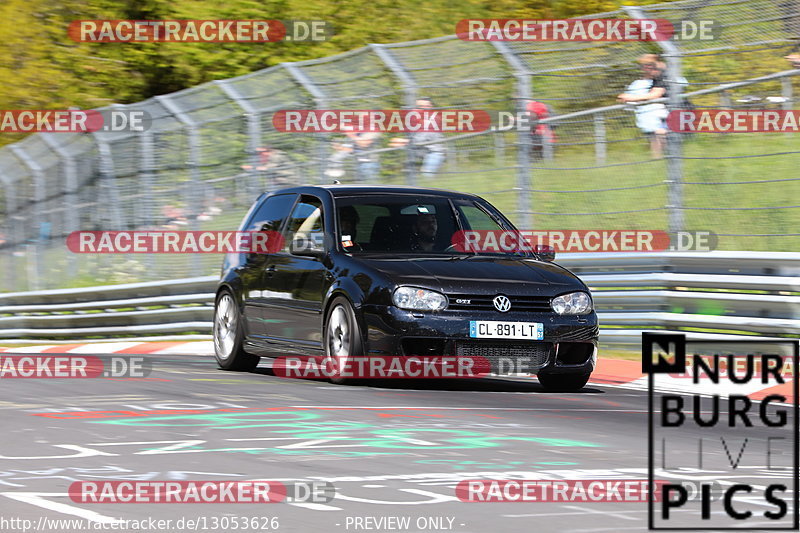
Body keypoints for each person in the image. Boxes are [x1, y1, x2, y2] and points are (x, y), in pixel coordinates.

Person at [618, 54, 668, 158]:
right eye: (644, 65)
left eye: (649, 65)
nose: (646, 68)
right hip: (649, 117)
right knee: (656, 136)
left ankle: (659, 159)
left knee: (659, 134)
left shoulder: (665, 75)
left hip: (665, 112)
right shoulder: (641, 82)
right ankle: (658, 160)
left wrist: (632, 98)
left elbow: (656, 94)